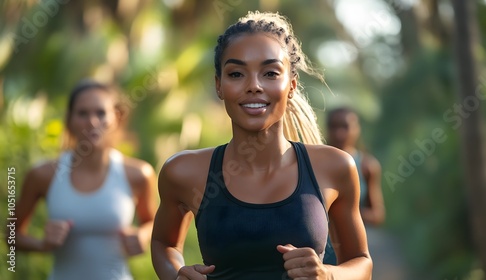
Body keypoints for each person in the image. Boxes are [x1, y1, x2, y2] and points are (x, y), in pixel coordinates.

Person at [151, 11, 372, 280]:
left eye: (270, 73)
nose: (254, 86)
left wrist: (327, 275)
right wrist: (176, 275)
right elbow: (165, 245)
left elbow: (361, 262)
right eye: (236, 74)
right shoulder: (183, 171)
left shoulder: (334, 167)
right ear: (219, 86)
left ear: (291, 85)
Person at [13, 79, 157, 280]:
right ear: (69, 120)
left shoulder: (139, 174)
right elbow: (12, 236)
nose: (92, 121)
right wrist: (42, 244)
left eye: (100, 113)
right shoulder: (43, 175)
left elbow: (154, 224)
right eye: (82, 113)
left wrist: (143, 235)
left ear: (116, 118)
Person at [323, 107, 385, 266]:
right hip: (319, 249)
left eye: (345, 127)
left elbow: (377, 214)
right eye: (333, 126)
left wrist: (345, 213)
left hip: (351, 250)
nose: (339, 133)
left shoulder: (367, 166)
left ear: (357, 129)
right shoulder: (315, 162)